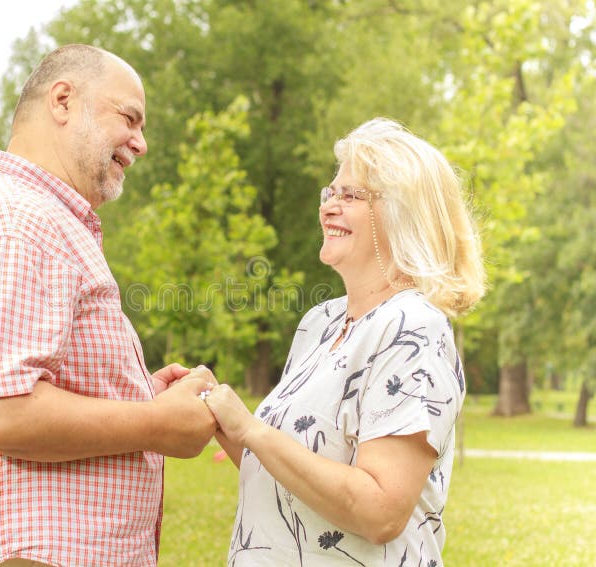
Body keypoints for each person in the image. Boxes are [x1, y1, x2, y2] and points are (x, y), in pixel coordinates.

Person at [0, 44, 217, 567]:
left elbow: (18, 385)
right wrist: (158, 424)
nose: (141, 143)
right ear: (62, 100)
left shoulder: (40, 221)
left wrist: (136, 394)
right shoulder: (18, 221)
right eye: (128, 117)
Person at [203, 118, 486, 566]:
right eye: (329, 192)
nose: (329, 206)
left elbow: (380, 512)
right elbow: (294, 478)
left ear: (401, 213)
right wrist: (220, 415)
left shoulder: (413, 328)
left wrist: (251, 428)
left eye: (350, 195)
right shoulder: (321, 322)